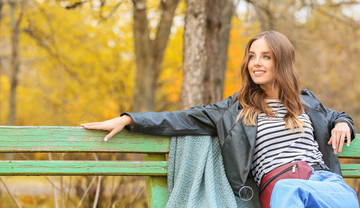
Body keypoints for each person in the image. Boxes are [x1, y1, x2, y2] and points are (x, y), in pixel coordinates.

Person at [81, 31, 358, 207]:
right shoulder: (235, 108)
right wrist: (130, 119)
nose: (255, 63)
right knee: (290, 191)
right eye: (252, 56)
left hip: (322, 182)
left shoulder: (306, 101)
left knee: (348, 197)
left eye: (266, 57)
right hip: (281, 187)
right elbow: (182, 118)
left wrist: (344, 123)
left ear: (282, 62)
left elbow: (336, 115)